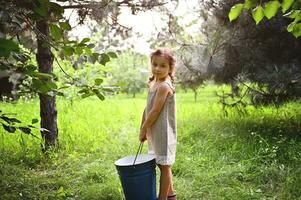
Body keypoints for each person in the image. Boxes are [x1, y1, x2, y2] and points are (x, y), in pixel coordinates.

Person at [139, 48, 177, 200]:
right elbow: (147, 108)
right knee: (162, 164)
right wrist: (143, 126)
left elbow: (154, 111)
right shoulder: (154, 83)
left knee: (165, 166)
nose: (157, 68)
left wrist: (144, 129)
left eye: (162, 66)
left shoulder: (163, 86)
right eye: (154, 64)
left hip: (163, 132)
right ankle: (171, 195)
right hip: (155, 130)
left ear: (170, 68)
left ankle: (162, 198)